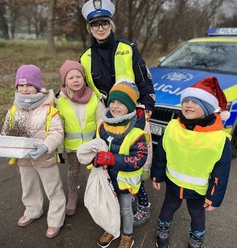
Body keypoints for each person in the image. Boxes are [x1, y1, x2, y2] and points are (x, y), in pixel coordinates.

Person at [81, 0, 155, 226]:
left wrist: (148, 106)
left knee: (139, 160)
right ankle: (117, 200)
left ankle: (143, 204)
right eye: (95, 25)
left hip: (134, 112)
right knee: (112, 158)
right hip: (107, 114)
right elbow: (81, 87)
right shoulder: (85, 57)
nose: (100, 28)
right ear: (90, 29)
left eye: (104, 23)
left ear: (111, 25)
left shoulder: (128, 48)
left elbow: (145, 80)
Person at [151, 76, 232, 248]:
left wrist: (214, 197)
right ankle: (162, 230)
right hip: (173, 184)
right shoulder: (173, 127)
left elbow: (221, 172)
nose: (188, 104)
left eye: (195, 102)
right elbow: (161, 153)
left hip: (199, 191)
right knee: (168, 208)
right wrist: (157, 175)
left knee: (197, 214)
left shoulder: (220, 139)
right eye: (186, 100)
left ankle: (196, 239)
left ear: (208, 108)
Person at [1, 64, 66, 239]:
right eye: (20, 85)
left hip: (44, 156)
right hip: (23, 158)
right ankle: (32, 210)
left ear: (37, 86)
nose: (24, 89)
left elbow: (57, 133)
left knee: (53, 188)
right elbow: (7, 130)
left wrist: (45, 146)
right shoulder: (14, 109)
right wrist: (4, 143)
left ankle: (56, 218)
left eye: (29, 85)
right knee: (28, 185)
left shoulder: (48, 109)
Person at [93, 81, 149, 248]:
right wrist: (93, 161)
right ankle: (111, 229)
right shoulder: (102, 125)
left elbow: (139, 159)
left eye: (121, 103)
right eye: (112, 101)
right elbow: (95, 146)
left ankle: (127, 235)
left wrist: (111, 159)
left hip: (124, 181)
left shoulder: (136, 132)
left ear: (130, 106)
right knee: (109, 207)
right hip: (106, 179)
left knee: (125, 209)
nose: (115, 106)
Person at [57, 60, 105, 216]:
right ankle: (72, 197)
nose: (75, 80)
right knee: (72, 172)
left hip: (90, 146)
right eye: (71, 78)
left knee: (91, 172)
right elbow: (58, 125)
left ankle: (92, 197)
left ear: (84, 79)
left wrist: (100, 143)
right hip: (72, 147)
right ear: (65, 82)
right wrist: (59, 149)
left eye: (78, 76)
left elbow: (100, 121)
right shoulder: (61, 100)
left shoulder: (93, 98)